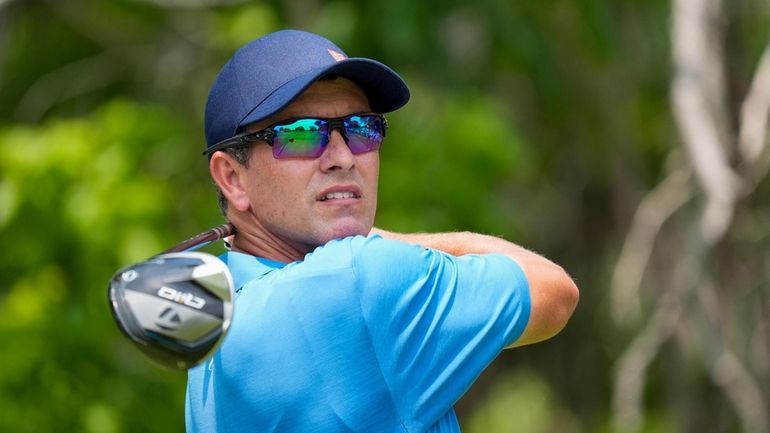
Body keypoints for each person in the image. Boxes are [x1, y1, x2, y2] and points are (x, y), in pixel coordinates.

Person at [186, 29, 579, 433]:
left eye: (361, 128)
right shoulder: (359, 278)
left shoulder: (214, 315)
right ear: (232, 178)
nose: (341, 157)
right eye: (300, 134)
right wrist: (376, 236)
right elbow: (553, 291)